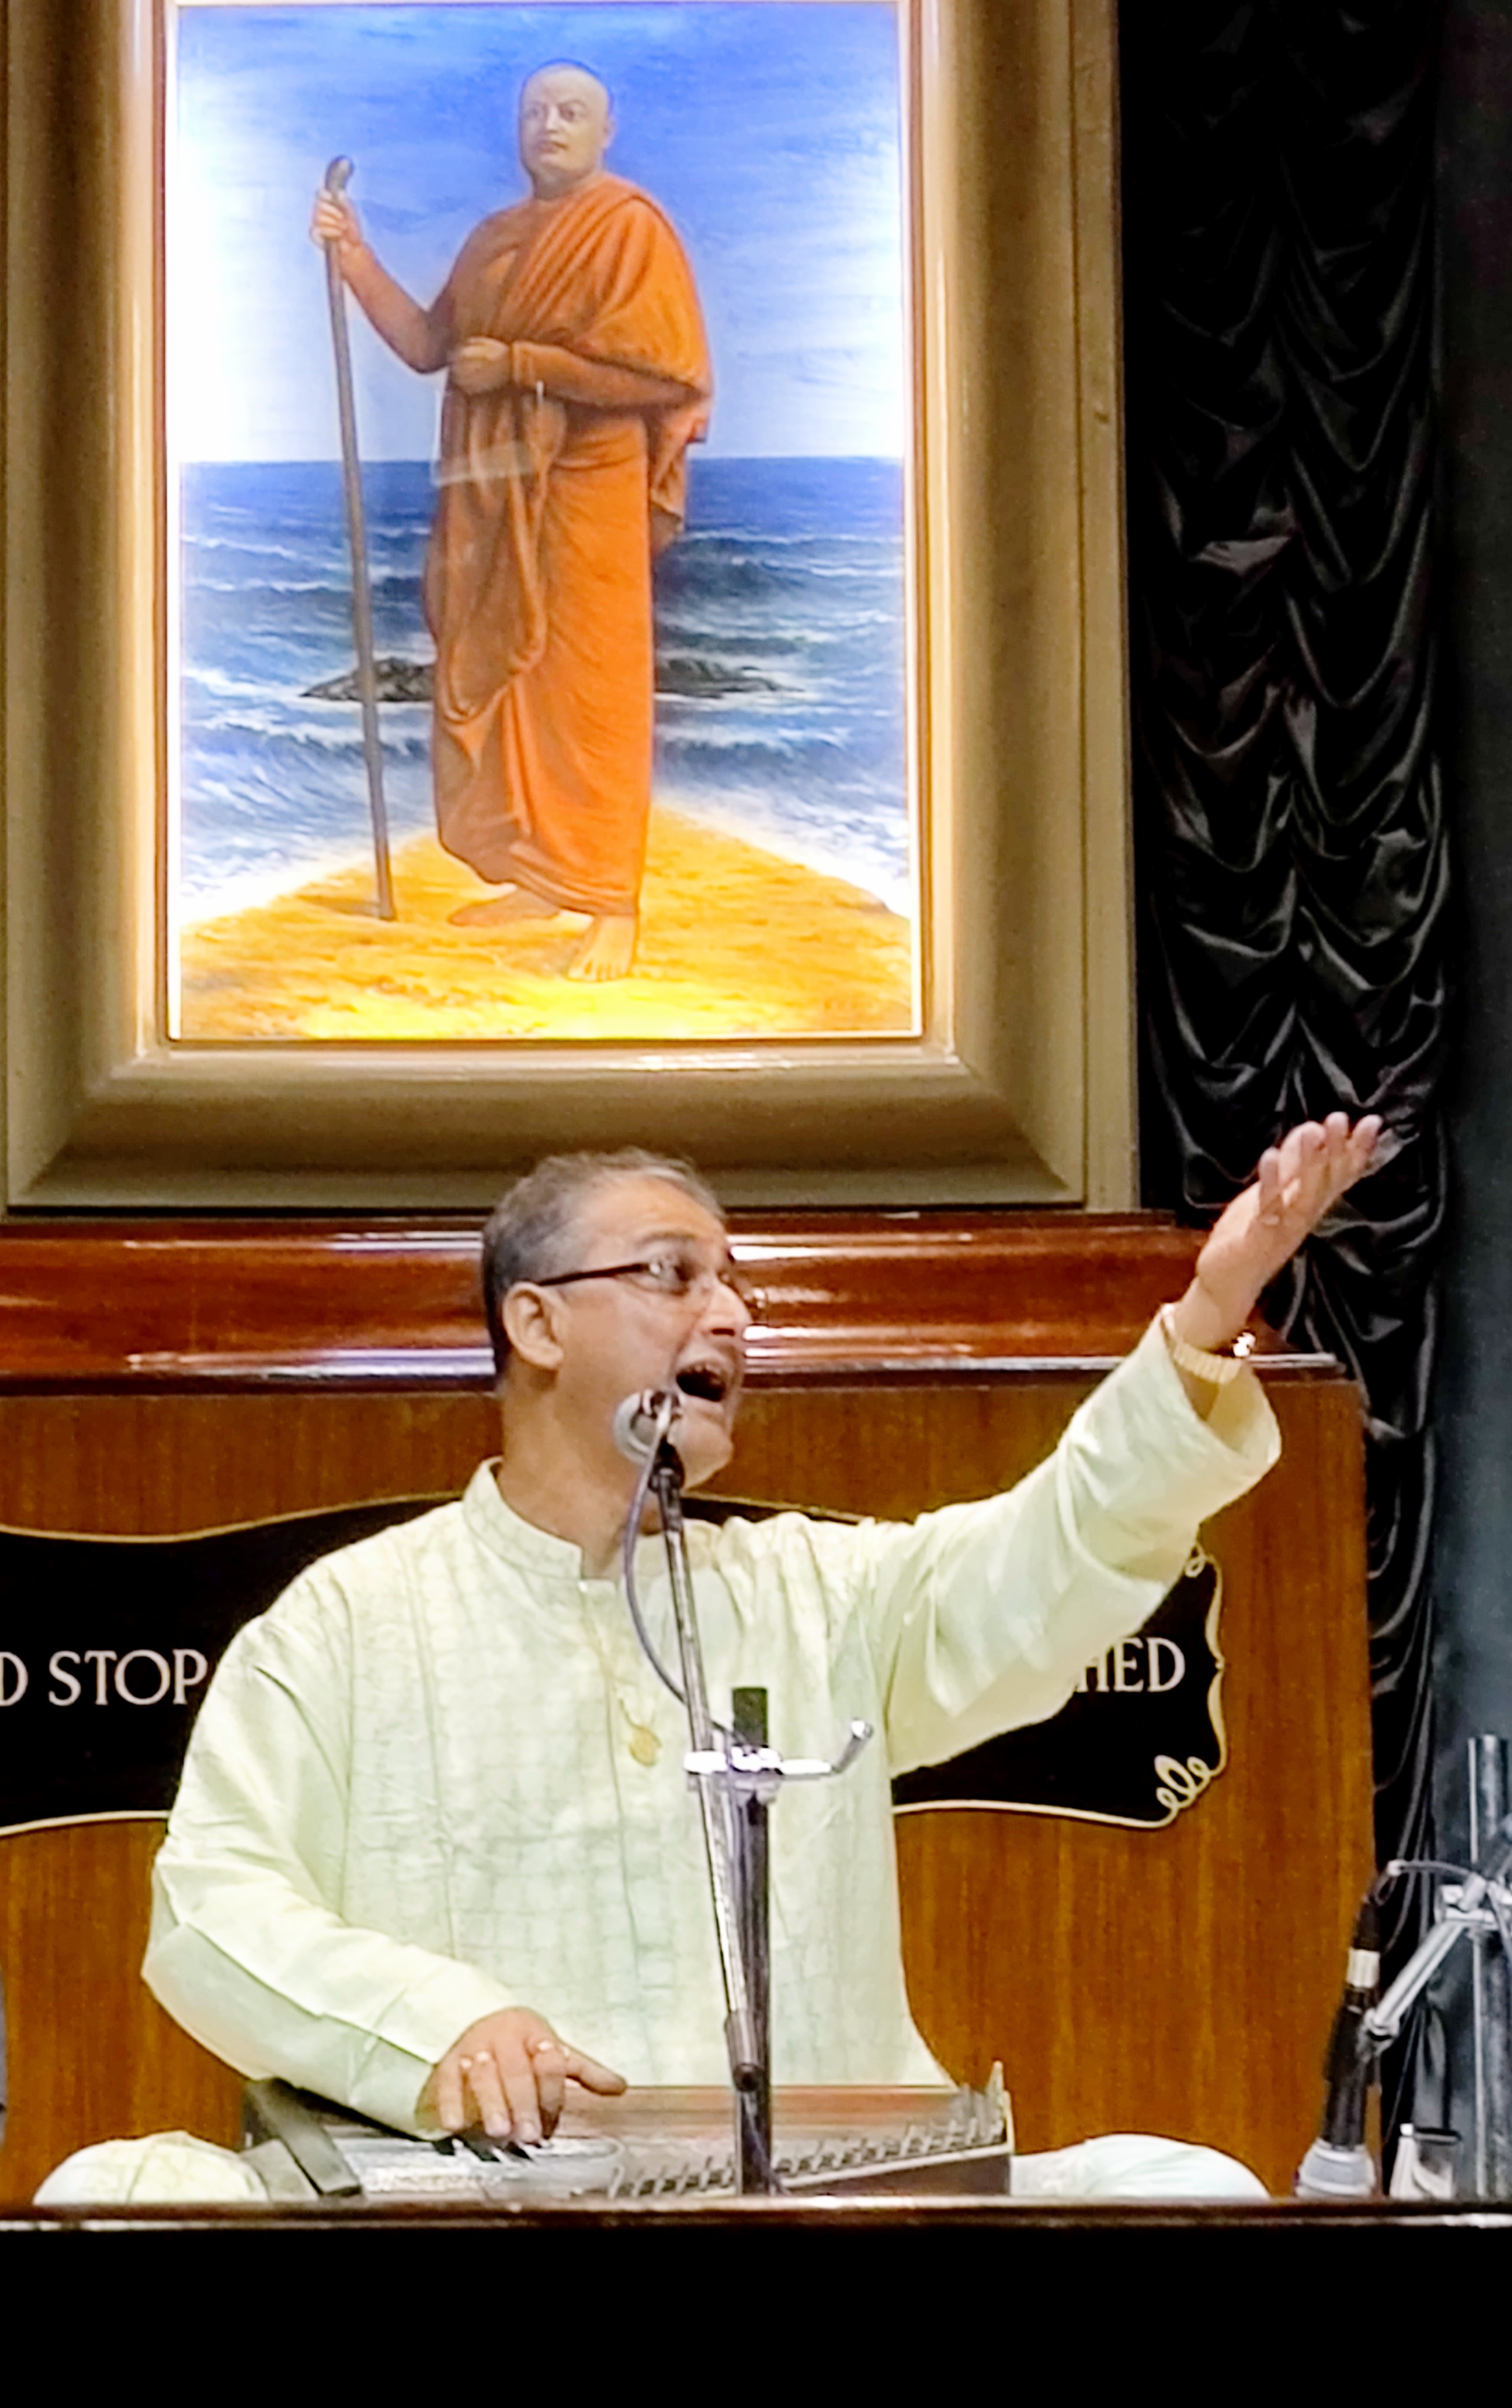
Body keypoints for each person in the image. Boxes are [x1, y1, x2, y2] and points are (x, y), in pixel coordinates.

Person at [144, 1113, 1380, 2186]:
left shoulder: (814, 1592)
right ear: (536, 1322)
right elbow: (210, 1905)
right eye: (672, 1273)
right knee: (118, 2184)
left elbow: (1051, 1554)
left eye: (735, 1285)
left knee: (1182, 2184)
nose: (730, 1316)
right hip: (485, 2194)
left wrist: (1204, 1317)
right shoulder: (353, 1620)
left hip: (820, 2189)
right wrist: (437, 2026)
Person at [311, 64, 711, 983]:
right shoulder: (492, 238)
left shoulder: (629, 228)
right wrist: (355, 256)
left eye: (571, 112)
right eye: (535, 112)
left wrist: (527, 364)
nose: (550, 125)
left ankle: (611, 904)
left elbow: (663, 377)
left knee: (590, 695)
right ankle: (539, 875)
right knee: (512, 689)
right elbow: (428, 347)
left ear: (606, 130)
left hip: (587, 492)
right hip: (491, 493)